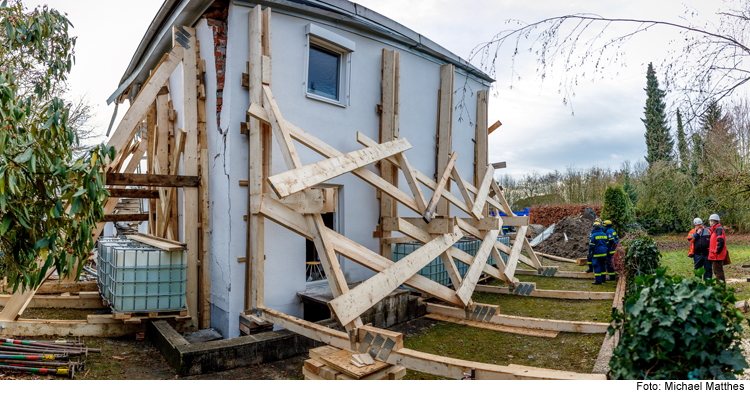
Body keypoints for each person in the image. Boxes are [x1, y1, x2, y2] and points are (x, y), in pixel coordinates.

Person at [708, 214, 728, 282]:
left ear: (713, 222)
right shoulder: (715, 229)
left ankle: (721, 289)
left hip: (717, 255)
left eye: (710, 221)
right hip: (715, 255)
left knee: (718, 272)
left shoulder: (718, 229)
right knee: (716, 271)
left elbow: (720, 241)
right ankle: (719, 287)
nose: (709, 222)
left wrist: (717, 251)